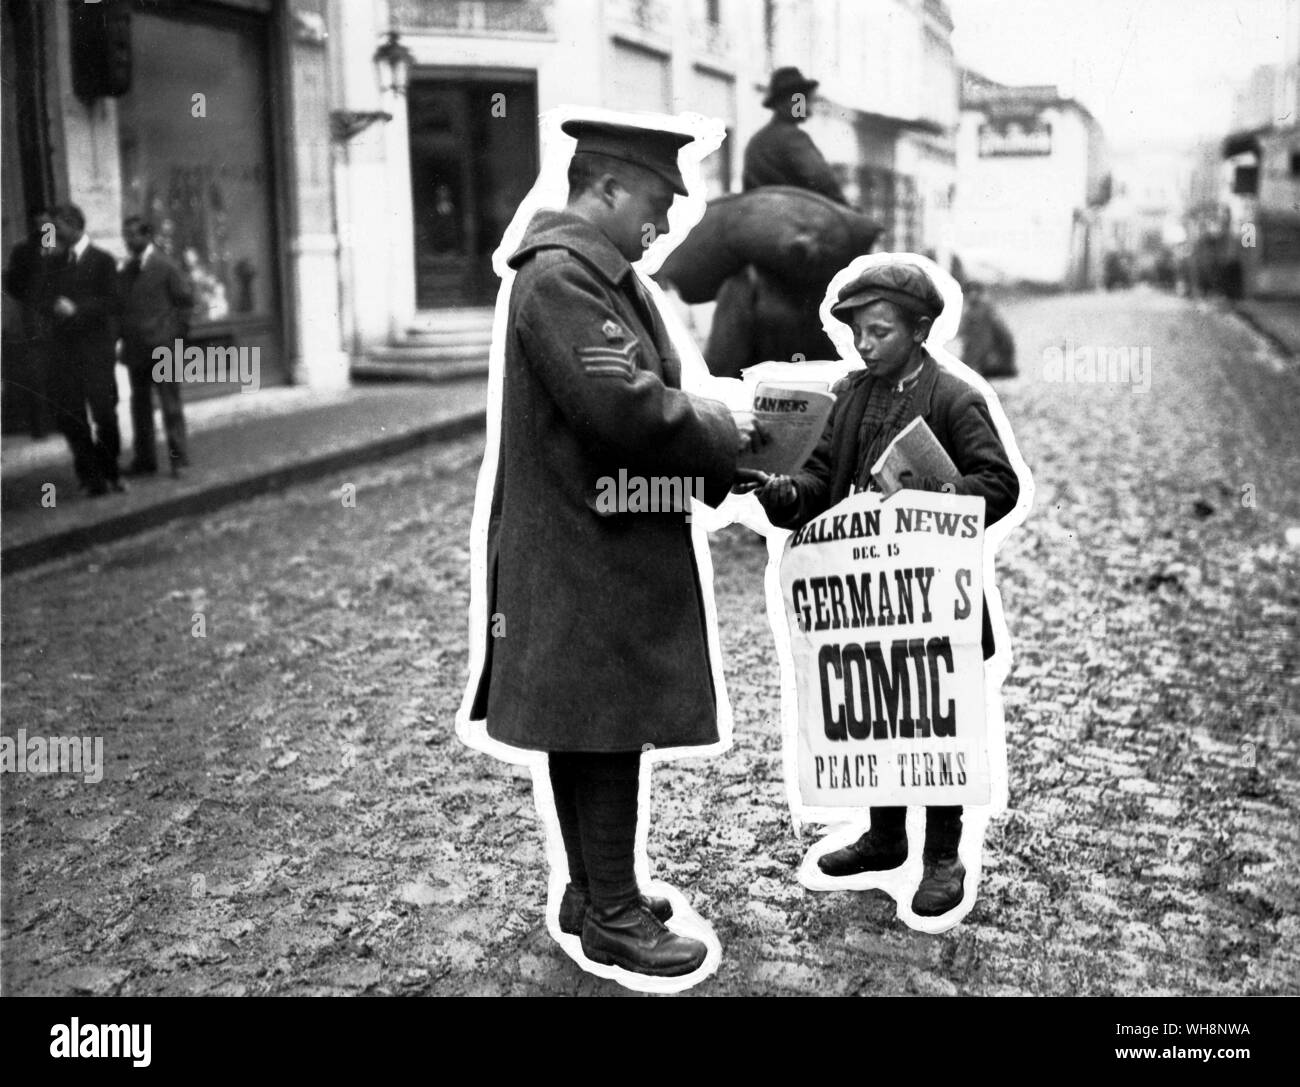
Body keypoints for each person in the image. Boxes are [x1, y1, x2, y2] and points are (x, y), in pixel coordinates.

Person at [468, 119, 762, 978]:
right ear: (604, 191)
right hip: (583, 548)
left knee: (588, 721)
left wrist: (726, 459)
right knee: (603, 724)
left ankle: (592, 887)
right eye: (659, 202)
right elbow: (625, 408)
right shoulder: (563, 279)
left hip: (594, 538)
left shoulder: (592, 274)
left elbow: (636, 400)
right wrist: (730, 426)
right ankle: (616, 914)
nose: (667, 222)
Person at [739, 259, 1021, 918]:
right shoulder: (848, 394)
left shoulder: (954, 397)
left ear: (920, 329)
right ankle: (885, 837)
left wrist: (930, 493)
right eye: (857, 334)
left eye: (879, 332)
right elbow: (814, 483)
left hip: (932, 597)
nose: (864, 346)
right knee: (877, 715)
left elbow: (999, 483)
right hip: (865, 595)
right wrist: (776, 490)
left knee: (934, 721)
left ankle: (944, 855)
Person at [45, 204, 122, 496]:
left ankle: (109, 470)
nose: (53, 233)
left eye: (57, 227)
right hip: (66, 355)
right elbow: (45, 299)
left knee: (105, 415)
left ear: (74, 224)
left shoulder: (103, 261)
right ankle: (91, 476)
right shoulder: (55, 262)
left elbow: (113, 302)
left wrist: (78, 309)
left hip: (96, 353)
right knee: (71, 417)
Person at [119, 215, 195, 476]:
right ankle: (145, 460)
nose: (129, 240)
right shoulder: (127, 270)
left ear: (147, 236)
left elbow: (185, 303)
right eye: (125, 235)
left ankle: (179, 460)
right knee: (140, 408)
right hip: (137, 349)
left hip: (164, 349)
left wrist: (173, 338)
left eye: (133, 235)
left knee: (170, 407)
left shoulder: (166, 266)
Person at [742, 67, 847, 204]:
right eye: (802, 100)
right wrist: (845, 209)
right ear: (786, 102)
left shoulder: (756, 141)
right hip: (795, 219)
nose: (808, 108)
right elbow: (823, 181)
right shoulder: (793, 137)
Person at [3, 207, 58, 437]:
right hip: (36, 317)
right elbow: (11, 282)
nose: (44, 229)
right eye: (40, 225)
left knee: (58, 370)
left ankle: (57, 424)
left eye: (48, 225)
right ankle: (40, 426)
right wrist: (30, 300)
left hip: (58, 317)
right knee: (36, 371)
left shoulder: (63, 248)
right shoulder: (23, 250)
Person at [956, 281, 1017, 378]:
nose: (973, 295)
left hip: (987, 356)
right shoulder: (974, 310)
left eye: (975, 291)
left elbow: (1000, 334)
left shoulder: (982, 311)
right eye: (970, 292)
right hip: (984, 355)